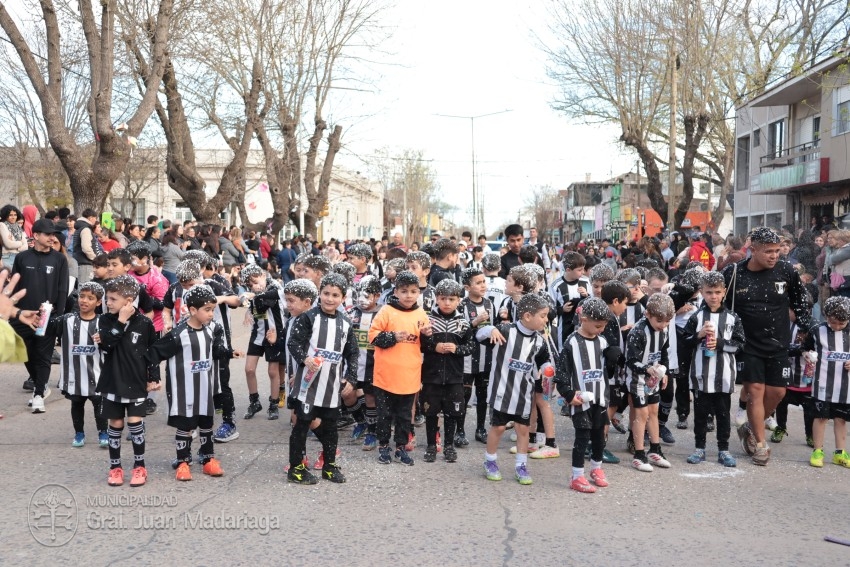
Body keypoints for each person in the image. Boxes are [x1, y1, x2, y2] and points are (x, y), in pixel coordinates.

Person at [723, 227, 813, 466]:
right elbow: (717, 305)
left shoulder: (786, 270)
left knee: (778, 393)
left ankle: (754, 426)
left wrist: (804, 327)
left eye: (777, 251)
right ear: (753, 250)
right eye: (768, 251)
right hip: (747, 344)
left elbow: (800, 300)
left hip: (778, 342)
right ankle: (760, 445)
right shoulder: (733, 273)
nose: (775, 256)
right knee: (755, 392)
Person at [148, 285, 242, 481]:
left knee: (206, 423)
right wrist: (153, 377)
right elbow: (154, 353)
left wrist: (229, 353)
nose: (211, 314)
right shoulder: (178, 334)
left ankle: (208, 458)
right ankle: (183, 461)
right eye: (207, 310)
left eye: (212, 309)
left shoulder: (211, 330)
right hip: (183, 390)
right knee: (186, 425)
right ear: (192, 310)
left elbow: (216, 351)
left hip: (205, 388)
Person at [285, 273, 359, 484]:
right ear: (320, 293)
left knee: (331, 427)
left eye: (335, 295)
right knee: (302, 425)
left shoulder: (345, 323)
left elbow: (352, 353)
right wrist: (304, 359)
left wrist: (351, 379)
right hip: (308, 385)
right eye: (326, 293)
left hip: (331, 385)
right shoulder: (309, 317)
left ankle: (329, 466)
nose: (329, 298)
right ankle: (296, 467)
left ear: (343, 298)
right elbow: (293, 343)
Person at [476, 293, 551, 485]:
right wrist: (490, 329)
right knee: (499, 427)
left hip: (524, 394)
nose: (546, 319)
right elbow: (479, 335)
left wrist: (546, 369)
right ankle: (490, 461)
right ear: (527, 316)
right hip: (501, 390)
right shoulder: (505, 331)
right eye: (542, 315)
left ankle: (521, 465)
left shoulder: (539, 341)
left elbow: (544, 360)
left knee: (523, 429)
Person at [94, 275, 160, 487]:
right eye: (107, 298)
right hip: (112, 381)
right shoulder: (105, 320)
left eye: (113, 299)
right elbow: (107, 345)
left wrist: (154, 377)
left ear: (129, 300)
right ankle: (115, 467)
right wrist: (121, 321)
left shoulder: (145, 323)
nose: (108, 302)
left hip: (136, 381)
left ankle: (139, 466)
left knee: (135, 423)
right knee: (116, 423)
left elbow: (152, 352)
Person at [368, 270, 432, 466]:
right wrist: (392, 337)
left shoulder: (421, 314)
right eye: (404, 291)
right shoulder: (387, 311)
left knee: (405, 416)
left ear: (419, 293)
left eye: (413, 291)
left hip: (409, 375)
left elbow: (425, 347)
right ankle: (384, 446)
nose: (409, 295)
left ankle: (401, 447)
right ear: (395, 292)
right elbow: (373, 337)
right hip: (385, 375)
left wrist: (428, 336)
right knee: (385, 414)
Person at [682, 271, 746, 467]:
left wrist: (719, 343)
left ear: (724, 292)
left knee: (723, 414)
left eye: (717, 292)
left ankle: (723, 449)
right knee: (700, 414)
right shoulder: (696, 317)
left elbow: (740, 346)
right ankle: (699, 448)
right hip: (701, 376)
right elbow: (685, 342)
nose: (713, 296)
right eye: (709, 292)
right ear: (702, 292)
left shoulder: (733, 318)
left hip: (724, 377)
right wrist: (698, 336)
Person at [556, 297, 612, 493]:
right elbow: (561, 372)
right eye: (598, 325)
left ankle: (596, 469)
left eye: (604, 326)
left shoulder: (603, 342)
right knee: (582, 437)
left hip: (599, 397)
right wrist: (568, 394)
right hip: (580, 399)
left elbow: (606, 371)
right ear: (584, 319)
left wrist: (615, 360)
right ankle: (577, 475)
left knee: (599, 437)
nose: (601, 330)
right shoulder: (571, 342)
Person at [12, 218, 69, 407]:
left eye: (54, 234)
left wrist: (58, 316)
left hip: (47, 315)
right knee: (25, 352)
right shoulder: (22, 258)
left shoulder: (59, 259)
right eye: (48, 234)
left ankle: (38, 395)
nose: (52, 238)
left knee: (44, 355)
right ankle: (41, 384)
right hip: (24, 315)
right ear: (35, 235)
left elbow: (62, 289)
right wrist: (15, 311)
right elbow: (15, 286)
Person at [420, 279, 477, 463]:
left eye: (451, 299)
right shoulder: (428, 320)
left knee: (452, 413)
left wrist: (456, 349)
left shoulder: (463, 323)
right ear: (436, 298)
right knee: (430, 412)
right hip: (431, 377)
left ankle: (449, 446)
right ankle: (430, 446)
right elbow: (419, 345)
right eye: (443, 298)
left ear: (459, 300)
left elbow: (470, 346)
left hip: (454, 378)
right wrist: (432, 346)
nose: (447, 302)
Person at [46, 282, 107, 448]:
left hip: (96, 374)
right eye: (82, 296)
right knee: (77, 404)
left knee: (99, 404)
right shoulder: (67, 320)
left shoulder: (103, 322)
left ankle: (103, 432)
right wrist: (42, 316)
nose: (84, 301)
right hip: (74, 374)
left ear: (99, 302)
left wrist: (105, 340)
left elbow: (113, 343)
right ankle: (79, 433)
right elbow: (47, 327)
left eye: (90, 298)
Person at [625, 293, 675, 472]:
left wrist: (665, 371)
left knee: (654, 411)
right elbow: (630, 360)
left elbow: (664, 352)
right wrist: (647, 369)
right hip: (637, 377)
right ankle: (639, 454)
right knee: (641, 414)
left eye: (667, 321)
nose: (663, 326)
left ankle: (655, 449)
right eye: (659, 321)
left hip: (653, 376)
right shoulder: (638, 332)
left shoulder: (665, 330)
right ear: (648, 314)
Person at [805, 296, 850, 468]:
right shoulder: (817, 330)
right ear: (826, 316)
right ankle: (818, 450)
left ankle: (840, 452)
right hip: (822, 382)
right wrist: (807, 356)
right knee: (821, 417)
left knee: (840, 419)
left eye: (841, 323)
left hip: (845, 386)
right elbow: (805, 348)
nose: (836, 326)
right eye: (832, 322)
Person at [458, 267, 496, 445]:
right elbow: (458, 331)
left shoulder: (489, 304)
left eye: (484, 282)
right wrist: (474, 322)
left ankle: (481, 428)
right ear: (467, 287)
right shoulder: (462, 305)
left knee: (483, 396)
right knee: (464, 396)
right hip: (466, 360)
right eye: (478, 283)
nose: (483, 285)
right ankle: (460, 430)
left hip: (486, 358)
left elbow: (493, 329)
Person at [346, 275, 382, 450]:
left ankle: (372, 432)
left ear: (377, 296)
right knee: (346, 394)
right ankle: (360, 421)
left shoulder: (383, 313)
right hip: (352, 364)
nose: (362, 299)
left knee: (370, 397)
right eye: (360, 294)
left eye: (367, 295)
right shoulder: (351, 313)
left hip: (373, 365)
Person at [548, 251, 589, 349]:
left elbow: (594, 302)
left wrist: (586, 296)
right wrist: (562, 309)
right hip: (564, 329)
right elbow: (549, 309)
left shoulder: (586, 282)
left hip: (585, 327)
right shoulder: (555, 286)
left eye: (583, 269)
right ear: (568, 270)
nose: (582, 272)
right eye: (579, 270)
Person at [73, 209, 102, 284]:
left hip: (80, 261)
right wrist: (95, 258)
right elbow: (86, 248)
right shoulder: (86, 229)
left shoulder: (80, 228)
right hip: (85, 263)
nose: (95, 221)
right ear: (90, 218)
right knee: (85, 286)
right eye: (95, 218)